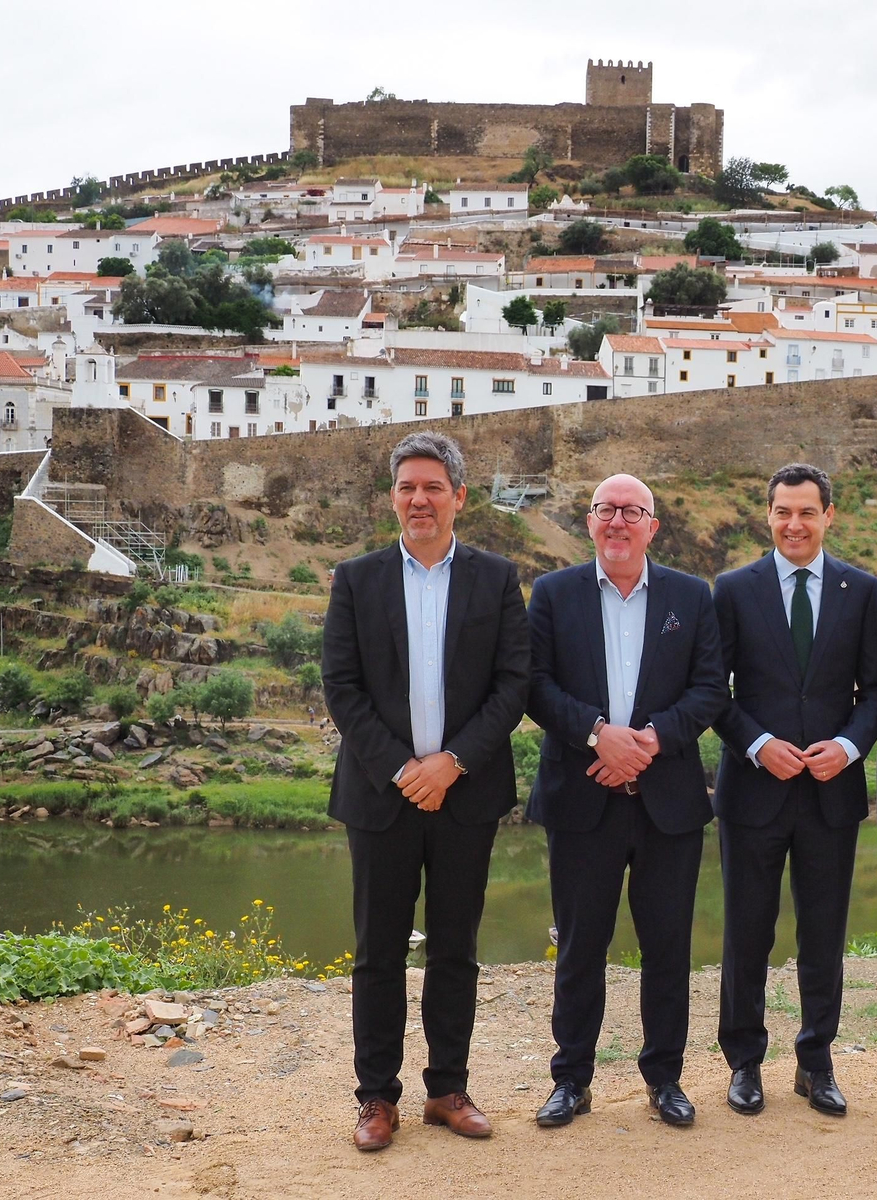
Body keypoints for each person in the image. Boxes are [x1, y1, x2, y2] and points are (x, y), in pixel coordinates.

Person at [322, 432, 530, 1152]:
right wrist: (404, 769)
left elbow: (513, 686)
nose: (420, 499)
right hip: (382, 796)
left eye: (433, 487)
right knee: (377, 952)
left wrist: (452, 763)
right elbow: (341, 689)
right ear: (393, 498)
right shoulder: (356, 579)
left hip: (465, 794)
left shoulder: (496, 578)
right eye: (408, 487)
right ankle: (377, 1099)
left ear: (459, 498)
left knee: (454, 949)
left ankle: (448, 1088)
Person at [525, 473, 727, 1130]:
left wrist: (646, 743)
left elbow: (709, 691)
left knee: (668, 946)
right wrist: (597, 737)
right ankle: (571, 1079)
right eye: (605, 510)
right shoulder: (553, 595)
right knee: (581, 945)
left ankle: (664, 1077)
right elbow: (534, 686)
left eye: (631, 511)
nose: (617, 521)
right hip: (582, 796)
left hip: (667, 800)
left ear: (652, 526)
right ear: (589, 522)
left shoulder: (691, 597)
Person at [710, 463, 877, 1118]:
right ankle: (745, 1063)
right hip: (752, 794)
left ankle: (816, 1062)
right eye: (784, 511)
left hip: (830, 795)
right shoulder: (733, 589)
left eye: (807, 512)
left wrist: (846, 749)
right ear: (769, 516)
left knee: (823, 935)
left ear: (828, 516)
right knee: (745, 935)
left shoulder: (861, 590)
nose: (795, 524)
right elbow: (712, 691)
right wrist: (758, 745)